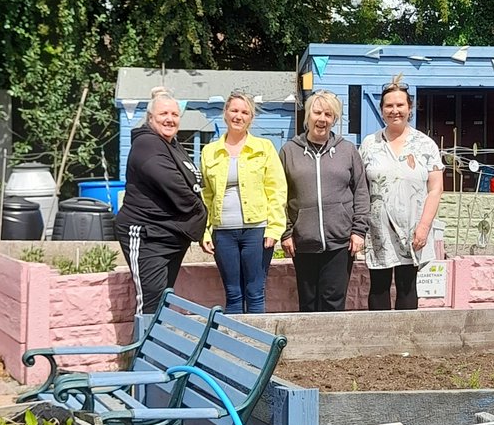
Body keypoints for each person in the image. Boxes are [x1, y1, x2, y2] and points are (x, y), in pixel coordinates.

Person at [114, 88, 208, 314]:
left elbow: (193, 182)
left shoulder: (172, 144)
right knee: (150, 301)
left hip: (170, 236)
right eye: (163, 114)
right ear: (150, 118)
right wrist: (201, 212)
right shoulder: (147, 144)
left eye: (174, 114)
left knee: (163, 300)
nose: (170, 119)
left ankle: (157, 338)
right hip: (147, 235)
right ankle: (143, 339)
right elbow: (174, 186)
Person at [279, 90, 369, 312]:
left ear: (334, 119)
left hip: (340, 242)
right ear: (308, 116)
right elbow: (279, 194)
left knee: (333, 301)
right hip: (303, 241)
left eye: (328, 114)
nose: (322, 119)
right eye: (317, 113)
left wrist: (359, 230)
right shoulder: (289, 151)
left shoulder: (347, 150)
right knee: (308, 303)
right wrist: (286, 232)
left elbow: (360, 190)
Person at [359, 76, 444, 310]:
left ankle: (406, 334)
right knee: (379, 286)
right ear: (381, 110)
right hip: (378, 228)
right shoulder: (369, 144)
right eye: (389, 105)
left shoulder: (425, 144)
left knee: (407, 286)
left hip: (414, 228)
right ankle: (380, 332)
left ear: (409, 108)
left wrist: (424, 227)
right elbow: (360, 187)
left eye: (400, 105)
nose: (394, 110)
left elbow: (435, 189)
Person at [200, 91, 287, 313]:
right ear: (225, 113)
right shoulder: (210, 152)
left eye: (245, 112)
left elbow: (276, 190)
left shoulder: (264, 148)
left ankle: (256, 337)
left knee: (255, 292)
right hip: (223, 232)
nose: (238, 116)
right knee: (233, 293)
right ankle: (234, 336)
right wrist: (205, 231)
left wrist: (274, 229)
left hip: (256, 231)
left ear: (251, 118)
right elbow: (205, 196)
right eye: (234, 110)